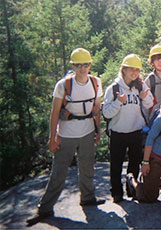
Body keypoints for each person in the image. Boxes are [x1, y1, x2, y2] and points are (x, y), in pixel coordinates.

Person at [26, 48, 104, 226]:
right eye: (79, 65)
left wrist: (97, 130)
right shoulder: (63, 85)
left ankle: (88, 198)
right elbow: (54, 114)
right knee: (59, 172)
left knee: (87, 167)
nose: (83, 68)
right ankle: (44, 209)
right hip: (66, 134)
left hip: (87, 132)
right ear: (73, 66)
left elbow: (96, 109)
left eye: (86, 65)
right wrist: (52, 138)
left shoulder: (96, 82)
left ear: (90, 65)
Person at [102, 54, 154, 203]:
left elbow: (149, 104)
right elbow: (106, 113)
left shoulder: (140, 85)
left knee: (134, 162)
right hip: (118, 132)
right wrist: (118, 102)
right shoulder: (113, 88)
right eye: (131, 69)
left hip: (136, 131)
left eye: (137, 70)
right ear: (123, 70)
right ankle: (116, 193)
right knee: (116, 164)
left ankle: (132, 188)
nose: (134, 73)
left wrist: (144, 97)